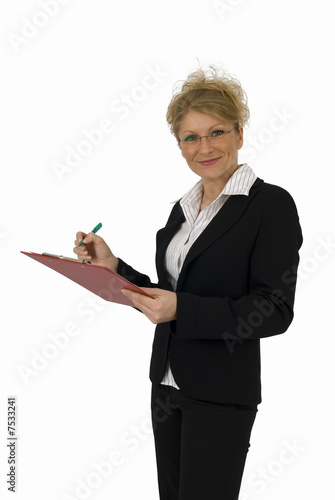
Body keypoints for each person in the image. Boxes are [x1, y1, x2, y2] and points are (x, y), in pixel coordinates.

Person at [73, 65, 302, 500]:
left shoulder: (270, 205)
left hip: (221, 393)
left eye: (216, 132)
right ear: (179, 145)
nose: (205, 147)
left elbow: (274, 309)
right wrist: (113, 264)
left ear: (239, 132)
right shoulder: (183, 210)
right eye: (191, 138)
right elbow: (171, 290)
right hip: (166, 384)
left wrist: (182, 310)